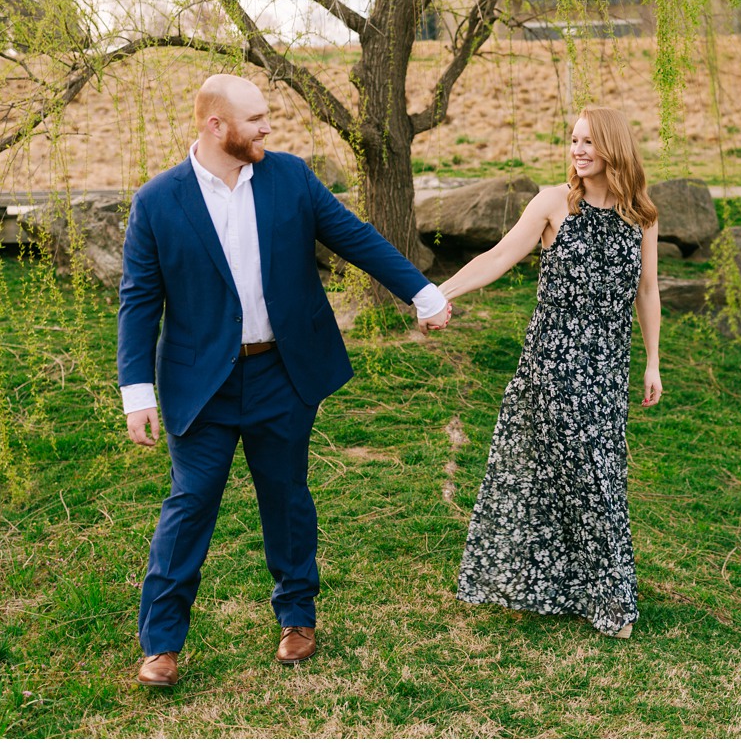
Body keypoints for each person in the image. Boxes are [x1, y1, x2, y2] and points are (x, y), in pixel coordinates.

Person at [118, 73, 451, 687]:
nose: (267, 127)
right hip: (201, 384)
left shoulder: (290, 177)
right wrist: (136, 391)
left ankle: (297, 615)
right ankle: (162, 642)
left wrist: (422, 292)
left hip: (281, 371)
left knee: (287, 497)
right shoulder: (158, 200)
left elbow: (355, 238)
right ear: (216, 126)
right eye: (255, 118)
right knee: (189, 505)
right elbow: (139, 300)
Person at [441, 105, 662, 638]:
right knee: (566, 471)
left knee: (600, 475)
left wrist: (653, 361)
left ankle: (589, 588)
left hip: (608, 367)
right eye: (573, 140)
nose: (578, 150)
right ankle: (598, 596)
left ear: (613, 147)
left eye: (589, 141)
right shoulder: (552, 204)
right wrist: (438, 294)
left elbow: (647, 291)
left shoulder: (642, 217)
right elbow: (497, 258)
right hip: (554, 363)